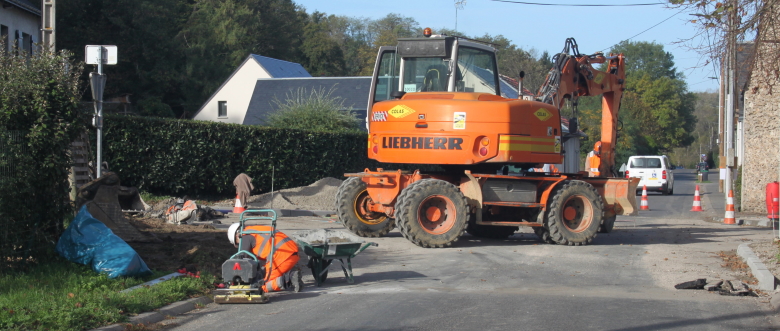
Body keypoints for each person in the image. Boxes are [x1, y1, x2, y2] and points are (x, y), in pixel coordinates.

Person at [227, 222, 303, 293]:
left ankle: (290, 278)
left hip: (282, 256)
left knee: (261, 286)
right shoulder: (254, 230)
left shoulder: (245, 236)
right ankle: (293, 277)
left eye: (237, 242)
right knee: (263, 274)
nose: (239, 245)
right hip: (291, 254)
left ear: (237, 236)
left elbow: (242, 261)